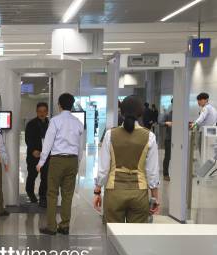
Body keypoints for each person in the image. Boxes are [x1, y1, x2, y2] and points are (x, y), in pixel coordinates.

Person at [93, 95, 160, 223]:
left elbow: (103, 169)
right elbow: (152, 172)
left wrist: (97, 191)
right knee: (136, 239)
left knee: (113, 238)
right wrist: (155, 198)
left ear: (122, 112)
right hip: (139, 193)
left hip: (114, 192)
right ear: (140, 113)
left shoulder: (110, 134)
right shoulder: (149, 136)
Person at [37, 93, 84, 235]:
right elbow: (81, 146)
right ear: (72, 105)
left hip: (57, 160)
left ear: (59, 105)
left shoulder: (55, 121)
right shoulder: (78, 123)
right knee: (67, 194)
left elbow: (48, 143)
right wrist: (78, 161)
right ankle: (65, 225)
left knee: (52, 193)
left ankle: (51, 227)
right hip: (72, 160)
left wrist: (41, 162)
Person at [25, 102, 50, 207]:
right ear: (36, 112)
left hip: (46, 155)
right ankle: (30, 193)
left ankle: (43, 197)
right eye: (40, 111)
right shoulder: (31, 124)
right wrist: (33, 150)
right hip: (33, 155)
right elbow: (28, 139)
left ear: (47, 112)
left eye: (44, 111)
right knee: (32, 175)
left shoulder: (51, 124)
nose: (42, 113)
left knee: (45, 177)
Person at [160, 100, 173, 181]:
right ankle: (165, 174)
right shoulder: (168, 114)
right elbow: (160, 122)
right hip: (169, 139)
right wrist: (166, 123)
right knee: (167, 157)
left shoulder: (182, 114)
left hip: (180, 140)